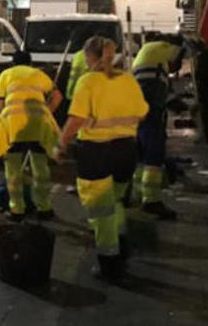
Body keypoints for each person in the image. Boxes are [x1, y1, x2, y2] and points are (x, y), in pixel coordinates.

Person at [58, 37, 148, 281]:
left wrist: (62, 143)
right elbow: (141, 113)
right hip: (126, 151)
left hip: (96, 153)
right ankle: (122, 243)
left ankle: (109, 262)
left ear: (90, 57)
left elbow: (76, 119)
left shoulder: (87, 82)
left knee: (100, 210)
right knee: (115, 200)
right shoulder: (128, 80)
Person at [0, 51, 62, 221]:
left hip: (15, 126)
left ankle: (17, 210)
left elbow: (1, 104)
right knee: (40, 168)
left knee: (13, 170)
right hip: (37, 125)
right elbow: (57, 97)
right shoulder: (38, 74)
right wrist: (46, 112)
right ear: (30, 64)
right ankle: (44, 208)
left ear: (13, 64)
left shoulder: (5, 75)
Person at [132, 34, 185, 219]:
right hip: (150, 108)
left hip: (139, 109)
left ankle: (138, 194)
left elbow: (164, 84)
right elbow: (179, 57)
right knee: (154, 153)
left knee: (142, 153)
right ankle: (151, 200)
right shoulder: (167, 48)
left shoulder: (149, 52)